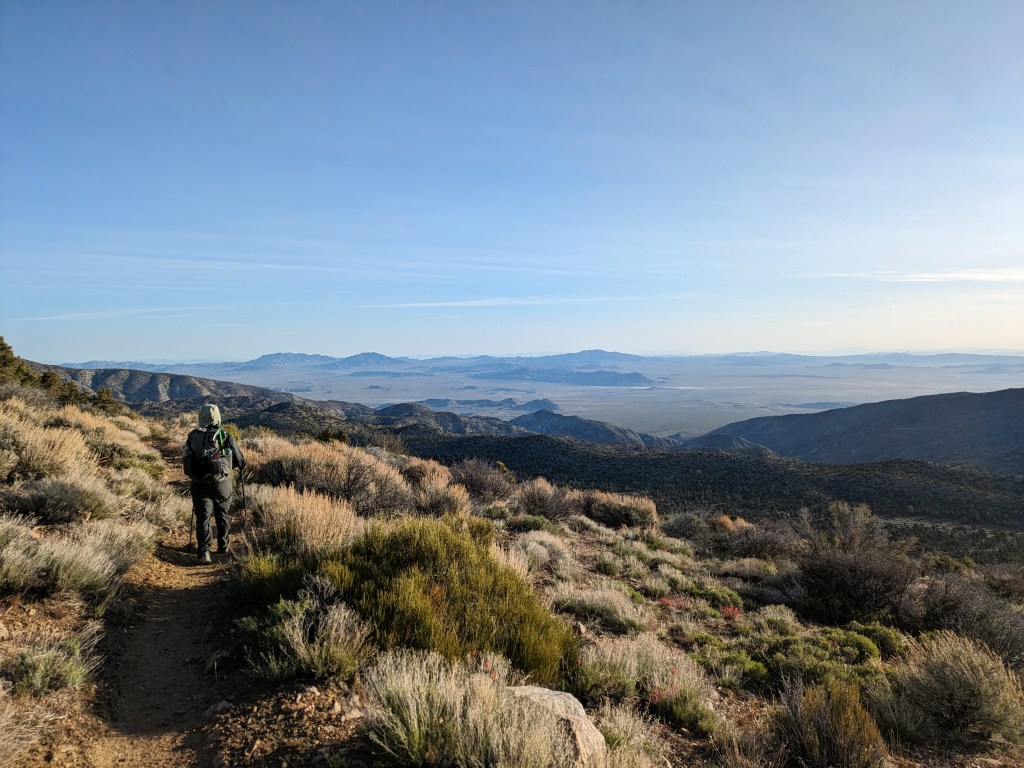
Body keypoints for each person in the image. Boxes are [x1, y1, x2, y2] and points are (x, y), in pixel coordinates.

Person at [183, 403, 245, 563]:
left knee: (203, 517)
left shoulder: (193, 436)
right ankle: (223, 546)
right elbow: (239, 460)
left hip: (198, 483)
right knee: (222, 513)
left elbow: (187, 459)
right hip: (222, 483)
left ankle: (204, 552)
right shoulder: (225, 435)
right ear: (218, 417)